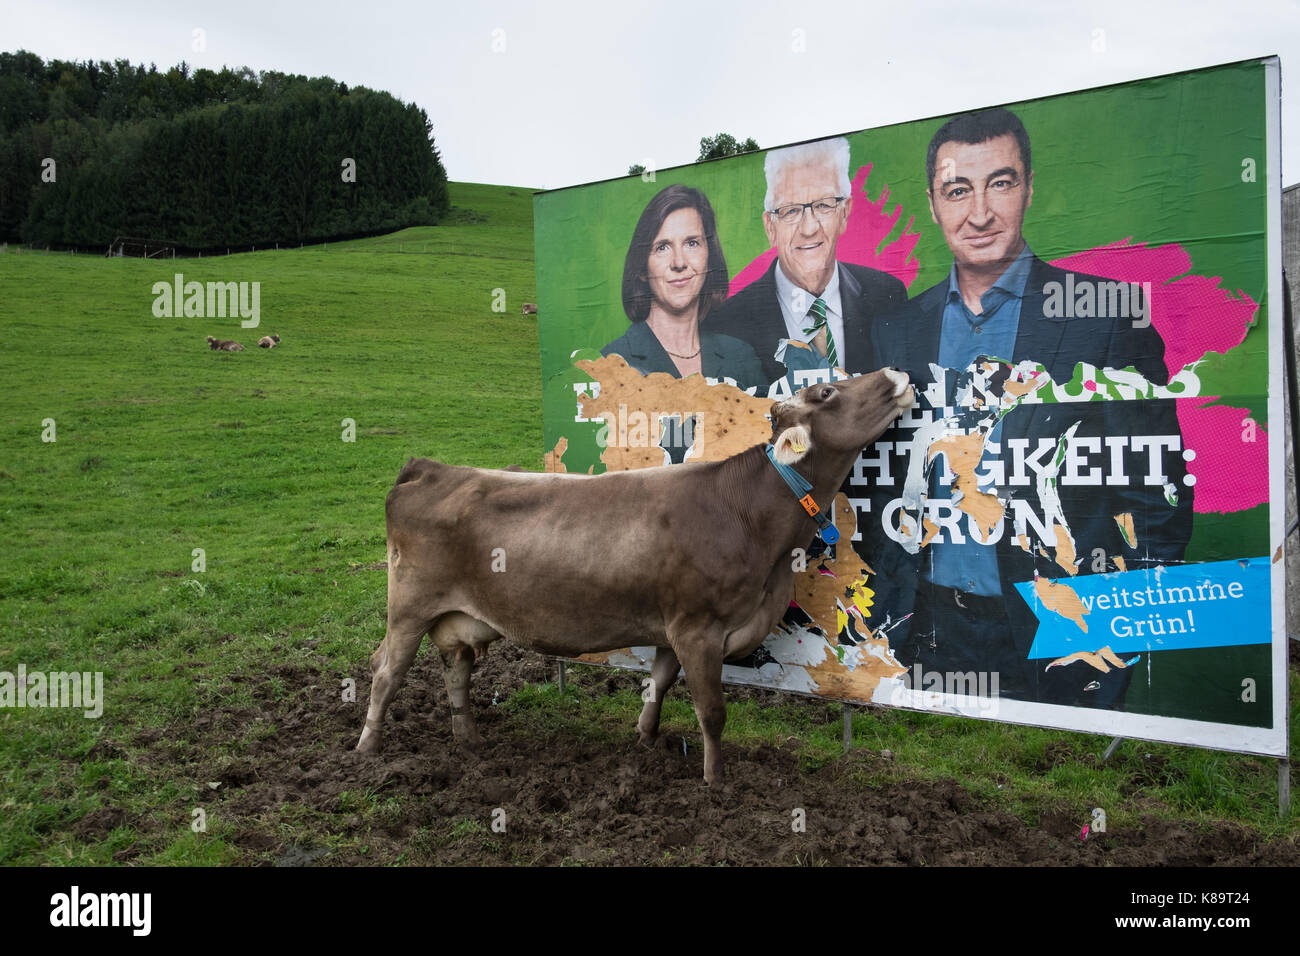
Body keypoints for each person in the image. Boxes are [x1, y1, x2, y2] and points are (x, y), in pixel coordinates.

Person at [866, 107, 1194, 708]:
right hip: (923, 632)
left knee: (1049, 798)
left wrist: (1117, 641)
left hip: (1061, 637)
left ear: (1029, 188)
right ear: (935, 205)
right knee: (929, 792)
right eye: (958, 191)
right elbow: (879, 487)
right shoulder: (896, 330)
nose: (980, 213)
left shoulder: (1107, 317)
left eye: (1001, 182)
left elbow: (1159, 497)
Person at [704, 137, 906, 389]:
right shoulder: (727, 323)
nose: (809, 228)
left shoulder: (888, 296)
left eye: (823, 205)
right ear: (770, 227)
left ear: (844, 213)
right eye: (790, 210)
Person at [601, 184, 763, 392]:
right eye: (662, 247)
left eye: (692, 243)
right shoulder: (610, 364)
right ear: (642, 267)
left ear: (709, 257)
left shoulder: (741, 357)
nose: (679, 262)